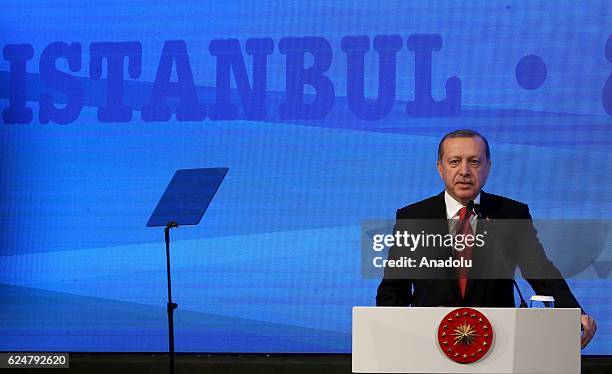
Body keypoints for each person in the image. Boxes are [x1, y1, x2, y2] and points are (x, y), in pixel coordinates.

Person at [376, 129, 597, 349]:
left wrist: (571, 312)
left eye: (474, 162)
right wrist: (391, 338)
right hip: (429, 342)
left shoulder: (511, 213)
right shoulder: (414, 217)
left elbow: (539, 269)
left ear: (488, 167)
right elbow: (394, 288)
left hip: (497, 343)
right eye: (454, 162)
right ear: (440, 168)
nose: (464, 171)